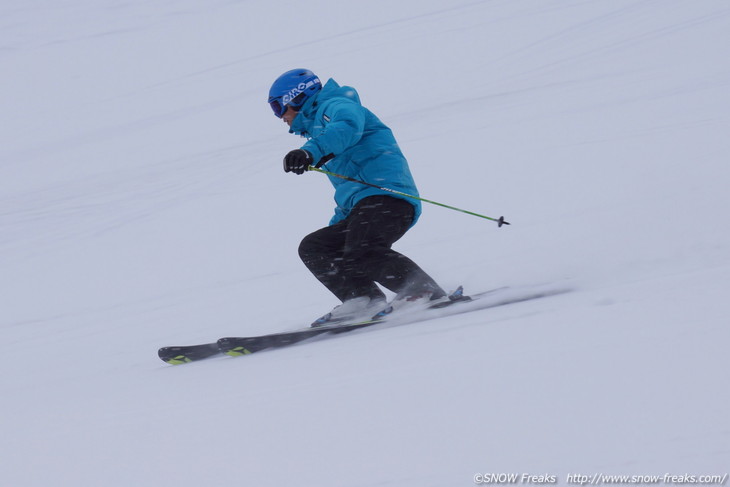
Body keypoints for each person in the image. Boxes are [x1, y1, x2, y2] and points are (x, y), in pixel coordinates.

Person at [268, 68, 451, 326]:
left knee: (362, 248)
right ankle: (362, 298)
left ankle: (422, 290)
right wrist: (340, 229)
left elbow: (347, 127)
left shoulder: (336, 107)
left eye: (278, 107)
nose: (279, 117)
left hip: (388, 198)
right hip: (366, 205)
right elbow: (348, 192)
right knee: (316, 247)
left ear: (297, 98)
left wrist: (310, 152)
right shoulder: (320, 131)